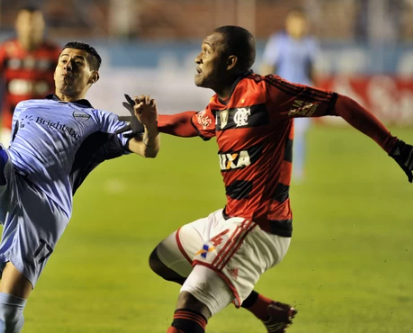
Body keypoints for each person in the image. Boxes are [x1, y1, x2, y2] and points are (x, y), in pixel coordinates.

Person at [137, 25, 412, 333]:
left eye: (206, 50)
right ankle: (266, 309)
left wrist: (396, 148)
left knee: (191, 304)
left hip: (259, 225)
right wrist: (147, 123)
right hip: (229, 218)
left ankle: (240, 297)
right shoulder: (219, 105)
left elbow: (339, 103)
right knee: (164, 259)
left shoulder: (267, 93)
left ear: (230, 62)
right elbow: (191, 122)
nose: (197, 59)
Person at [0, 41, 160, 333]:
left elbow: (148, 149)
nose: (67, 65)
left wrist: (150, 126)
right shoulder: (26, 107)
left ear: (93, 76)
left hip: (45, 207)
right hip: (12, 178)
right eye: (63, 60)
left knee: (7, 306)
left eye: (77, 63)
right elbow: (12, 155)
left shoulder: (100, 121)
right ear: (54, 70)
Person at [0, 5, 61, 147]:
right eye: (26, 22)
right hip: (11, 126)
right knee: (5, 167)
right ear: (18, 25)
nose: (30, 27)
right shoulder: (6, 50)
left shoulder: (53, 53)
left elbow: (65, 86)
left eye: (35, 22)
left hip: (43, 127)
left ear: (42, 25)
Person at [260, 8, 320, 181]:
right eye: (296, 22)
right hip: (281, 93)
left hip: (303, 94)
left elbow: (314, 70)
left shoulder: (310, 44)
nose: (299, 27)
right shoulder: (278, 42)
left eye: (302, 23)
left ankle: (298, 170)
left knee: (299, 132)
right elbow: (268, 66)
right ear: (289, 24)